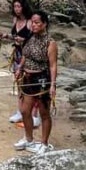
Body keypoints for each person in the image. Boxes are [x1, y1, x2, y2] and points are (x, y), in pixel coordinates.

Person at [13, 10, 58, 156]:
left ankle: (44, 143)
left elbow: (53, 65)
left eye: (37, 22)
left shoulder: (50, 43)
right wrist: (20, 67)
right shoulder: (30, 37)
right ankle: (29, 139)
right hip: (27, 79)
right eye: (32, 22)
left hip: (42, 80)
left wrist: (53, 84)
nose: (34, 25)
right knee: (25, 111)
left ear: (44, 24)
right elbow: (26, 55)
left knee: (44, 113)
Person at [0, 0, 41, 129]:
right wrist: (6, 36)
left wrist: (23, 40)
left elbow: (34, 39)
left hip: (29, 57)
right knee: (19, 84)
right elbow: (15, 37)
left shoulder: (30, 22)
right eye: (15, 6)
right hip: (17, 55)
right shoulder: (15, 20)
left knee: (32, 85)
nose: (16, 9)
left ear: (24, 7)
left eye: (19, 6)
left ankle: (35, 115)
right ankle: (21, 111)